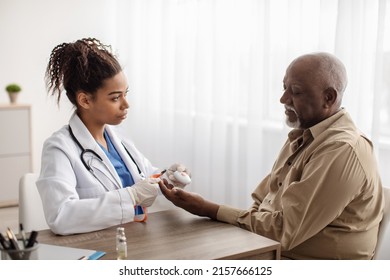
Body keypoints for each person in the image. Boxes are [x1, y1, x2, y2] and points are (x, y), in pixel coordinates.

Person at [159, 52, 384, 259]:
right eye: (284, 88)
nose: (283, 99)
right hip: (271, 251)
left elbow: (283, 230)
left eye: (295, 92)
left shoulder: (341, 150)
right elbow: (262, 200)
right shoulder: (304, 137)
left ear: (329, 98)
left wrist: (208, 209)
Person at [37, 38, 190, 235]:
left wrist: (168, 177)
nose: (126, 105)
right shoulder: (59, 148)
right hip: (96, 246)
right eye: (115, 98)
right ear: (84, 100)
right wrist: (131, 197)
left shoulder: (118, 138)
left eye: (125, 94)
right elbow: (61, 216)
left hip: (135, 238)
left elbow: (146, 180)